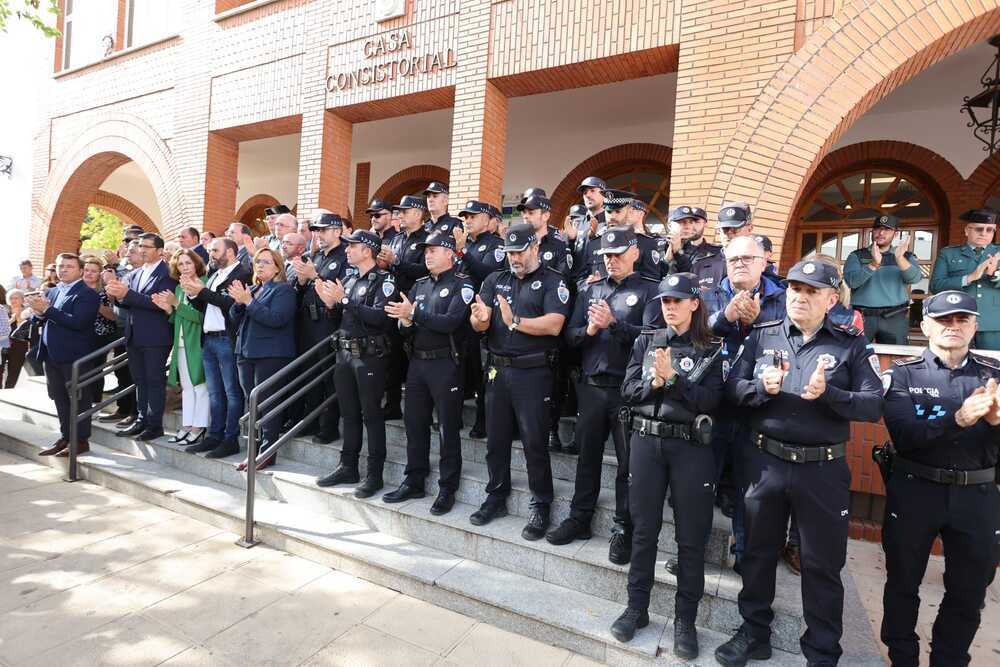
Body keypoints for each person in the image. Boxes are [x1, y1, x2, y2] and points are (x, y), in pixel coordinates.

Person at [715, 259, 884, 667]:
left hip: (821, 470)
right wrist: (759, 387)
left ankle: (823, 652)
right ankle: (754, 633)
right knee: (756, 554)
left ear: (830, 299)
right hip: (765, 463)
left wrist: (831, 396)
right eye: (794, 289)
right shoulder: (763, 335)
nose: (800, 297)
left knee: (821, 565)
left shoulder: (851, 343)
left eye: (811, 291)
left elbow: (874, 403)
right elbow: (731, 388)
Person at [879, 290, 1000, 667]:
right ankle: (902, 657)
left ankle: (949, 659)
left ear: (975, 326)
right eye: (944, 320)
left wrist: (997, 422)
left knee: (969, 590)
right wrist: (958, 420)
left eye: (962, 319)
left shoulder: (994, 376)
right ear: (925, 325)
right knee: (902, 583)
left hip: (977, 495)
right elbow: (906, 437)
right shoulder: (903, 374)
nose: (953, 326)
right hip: (916, 489)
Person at [609, 273, 724, 659]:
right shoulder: (646, 340)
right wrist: (655, 386)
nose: (669, 307)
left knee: (690, 540)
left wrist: (673, 380)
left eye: (677, 300)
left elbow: (712, 401)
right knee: (643, 531)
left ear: (694, 303)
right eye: (664, 301)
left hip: (690, 447)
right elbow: (627, 390)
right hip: (644, 443)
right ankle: (636, 609)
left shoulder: (711, 348)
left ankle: (684, 621)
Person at [547, 226, 659, 564]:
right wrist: (591, 329)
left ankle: (623, 528)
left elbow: (653, 339)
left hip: (628, 393)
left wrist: (614, 325)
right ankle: (580, 518)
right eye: (607, 255)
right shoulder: (589, 290)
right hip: (592, 389)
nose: (611, 261)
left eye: (618, 254)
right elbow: (571, 336)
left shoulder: (649, 292)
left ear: (635, 253)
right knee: (587, 458)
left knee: (628, 466)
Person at [468, 223, 571, 539]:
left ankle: (541, 504)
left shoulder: (554, 282)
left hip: (534, 373)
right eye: (509, 252)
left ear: (535, 247)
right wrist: (481, 320)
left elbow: (554, 325)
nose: (514, 258)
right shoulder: (494, 280)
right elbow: (477, 323)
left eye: (519, 251)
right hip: (498, 371)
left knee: (534, 442)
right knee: (496, 441)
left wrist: (515, 322)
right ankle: (496, 495)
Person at [383, 231, 473, 514]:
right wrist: (406, 321)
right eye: (425, 251)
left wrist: (414, 314)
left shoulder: (463, 284)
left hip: (446, 363)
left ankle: (448, 487)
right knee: (414, 423)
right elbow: (404, 323)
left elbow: (451, 322)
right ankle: (415, 479)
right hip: (418, 363)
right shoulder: (419, 285)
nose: (427, 255)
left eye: (433, 250)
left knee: (447, 427)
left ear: (450, 253)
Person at [314, 230, 399, 497]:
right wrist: (331, 304)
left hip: (369, 356)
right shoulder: (349, 279)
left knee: (371, 416)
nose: (348, 250)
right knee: (348, 414)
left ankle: (375, 475)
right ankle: (347, 465)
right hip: (345, 354)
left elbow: (380, 318)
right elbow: (344, 315)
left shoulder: (385, 280)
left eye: (354, 246)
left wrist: (344, 300)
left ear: (368, 250)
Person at [105, 233, 178, 441]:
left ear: (160, 251)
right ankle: (141, 420)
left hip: (156, 336)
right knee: (139, 380)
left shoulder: (168, 273)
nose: (142, 250)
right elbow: (128, 303)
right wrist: (117, 295)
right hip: (134, 334)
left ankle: (154, 425)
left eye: (147, 246)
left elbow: (159, 303)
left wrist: (126, 294)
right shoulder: (136, 273)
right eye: (140, 246)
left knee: (154, 381)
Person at [228, 247, 297, 470]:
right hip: (246, 351)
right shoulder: (255, 288)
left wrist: (249, 302)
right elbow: (235, 318)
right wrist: (239, 303)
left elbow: (277, 319)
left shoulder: (284, 290)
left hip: (270, 353)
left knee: (267, 403)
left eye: (266, 262)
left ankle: (267, 452)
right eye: (258, 261)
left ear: (278, 267)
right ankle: (253, 451)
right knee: (252, 404)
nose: (260, 265)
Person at [184, 238, 252, 458]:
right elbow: (205, 306)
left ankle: (229, 439)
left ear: (231, 252)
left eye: (215, 250)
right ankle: (214, 435)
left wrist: (201, 291)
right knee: (214, 393)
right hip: (209, 339)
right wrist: (192, 294)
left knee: (232, 393)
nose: (210, 253)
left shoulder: (241, 273)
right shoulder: (214, 274)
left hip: (227, 339)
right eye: (210, 250)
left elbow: (231, 304)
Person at [29, 253, 99, 457]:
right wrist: (38, 312)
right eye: (60, 266)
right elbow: (40, 318)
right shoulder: (52, 291)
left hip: (75, 356)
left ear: (80, 270)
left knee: (79, 399)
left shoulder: (87, 294)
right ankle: (65, 437)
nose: (63, 269)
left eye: (69, 266)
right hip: (51, 355)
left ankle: (81, 440)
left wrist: (47, 310)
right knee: (59, 398)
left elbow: (79, 322)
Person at [291, 213, 348, 444]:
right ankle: (311, 420)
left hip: (328, 321)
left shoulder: (345, 255)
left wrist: (314, 276)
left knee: (327, 375)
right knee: (309, 373)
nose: (319, 235)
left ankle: (329, 425)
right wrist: (303, 280)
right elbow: (301, 290)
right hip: (308, 321)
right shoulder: (315, 255)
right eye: (317, 230)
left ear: (337, 231)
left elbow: (339, 290)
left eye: (324, 230)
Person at [453, 200, 506, 438]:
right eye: (465, 217)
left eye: (473, 216)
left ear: (488, 219)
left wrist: (463, 251)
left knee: (483, 372)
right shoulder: (464, 245)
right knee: (461, 368)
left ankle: (482, 421)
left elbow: (489, 274)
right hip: (459, 317)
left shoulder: (496, 245)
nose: (468, 220)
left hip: (482, 316)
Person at [152, 249, 209, 447]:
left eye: (188, 263)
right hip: (181, 344)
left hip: (198, 344)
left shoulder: (204, 283)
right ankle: (187, 425)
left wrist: (177, 304)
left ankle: (199, 427)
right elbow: (179, 318)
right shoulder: (178, 288)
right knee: (186, 388)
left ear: (196, 264)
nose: (185, 267)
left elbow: (200, 318)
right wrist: (169, 309)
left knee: (199, 386)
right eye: (181, 264)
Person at [380, 195, 430, 419]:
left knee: (415, 359)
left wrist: (397, 262)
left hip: (417, 306)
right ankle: (392, 405)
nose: (400, 214)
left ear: (419, 214)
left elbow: (426, 271)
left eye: (405, 211)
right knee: (392, 357)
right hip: (394, 305)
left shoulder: (428, 239)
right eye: (398, 211)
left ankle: (422, 411)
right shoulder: (397, 239)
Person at [929, 208, 1000, 350]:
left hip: (993, 322)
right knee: (955, 364)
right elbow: (936, 285)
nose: (984, 233)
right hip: (957, 319)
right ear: (967, 230)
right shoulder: (948, 253)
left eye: (989, 230)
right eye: (979, 229)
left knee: (993, 366)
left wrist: (993, 275)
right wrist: (969, 278)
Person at [842, 214, 920, 344]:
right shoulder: (857, 255)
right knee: (854, 355)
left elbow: (914, 278)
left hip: (894, 317)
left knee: (894, 359)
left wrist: (899, 259)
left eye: (887, 229)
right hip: (862, 317)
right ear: (872, 231)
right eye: (878, 228)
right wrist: (873, 265)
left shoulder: (905, 256)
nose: (881, 233)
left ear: (895, 234)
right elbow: (852, 282)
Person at [693, 203, 755, 290]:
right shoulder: (700, 266)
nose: (729, 233)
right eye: (724, 229)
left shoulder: (758, 265)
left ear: (749, 229)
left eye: (735, 229)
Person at [666, 206, 720, 273]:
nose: (690, 226)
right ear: (670, 225)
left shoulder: (715, 252)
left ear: (705, 224)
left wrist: (678, 252)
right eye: (682, 221)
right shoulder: (662, 245)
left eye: (695, 221)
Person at [3, 289, 29, 388]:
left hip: (19, 346)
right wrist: (10, 320)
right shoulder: (3, 311)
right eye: (11, 298)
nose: (13, 300)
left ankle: (9, 390)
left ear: (22, 300)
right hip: (3, 345)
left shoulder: (28, 313)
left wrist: (19, 318)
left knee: (14, 370)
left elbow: (26, 330)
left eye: (16, 298)